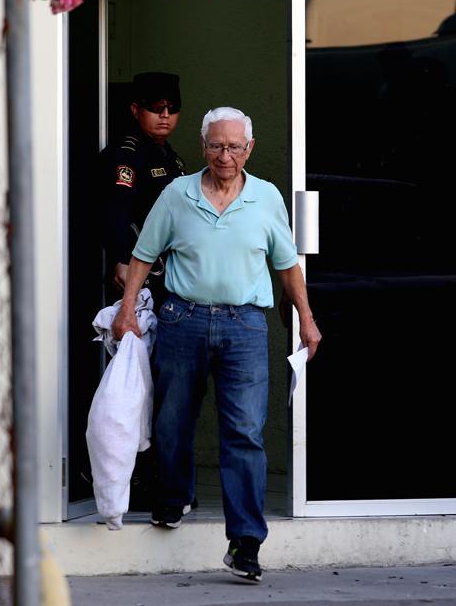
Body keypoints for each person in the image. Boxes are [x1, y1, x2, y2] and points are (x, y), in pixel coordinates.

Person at [112, 107, 322, 582]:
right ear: (203, 146)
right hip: (182, 318)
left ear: (249, 149)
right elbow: (143, 254)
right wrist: (127, 310)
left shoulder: (266, 197)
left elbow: (288, 265)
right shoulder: (177, 193)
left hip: (244, 325)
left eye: (234, 146)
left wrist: (306, 319)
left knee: (244, 432)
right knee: (172, 418)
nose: (224, 155)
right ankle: (173, 498)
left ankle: (246, 541)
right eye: (215, 145)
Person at [100, 72, 186, 303]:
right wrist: (120, 259)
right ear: (136, 110)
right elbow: (116, 210)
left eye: (172, 107)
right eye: (157, 107)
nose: (165, 115)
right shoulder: (126, 155)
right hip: (135, 267)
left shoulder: (171, 157)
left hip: (169, 268)